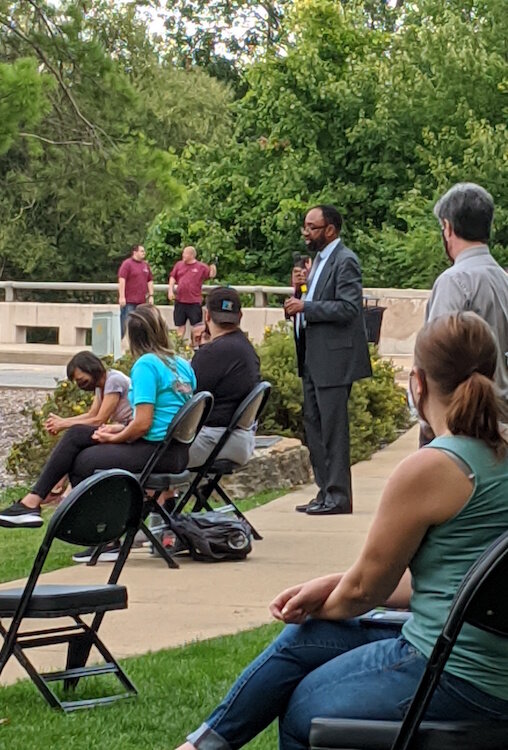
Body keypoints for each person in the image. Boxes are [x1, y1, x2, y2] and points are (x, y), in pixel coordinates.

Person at [175, 311, 508, 750]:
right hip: (478, 657)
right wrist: (332, 585)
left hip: (461, 674)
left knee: (303, 712)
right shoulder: (497, 455)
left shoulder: (431, 467)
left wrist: (339, 594)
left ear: (418, 382)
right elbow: (457, 579)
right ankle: (204, 745)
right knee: (308, 637)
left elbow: (363, 595)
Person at [0, 305, 195, 542]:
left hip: (156, 452)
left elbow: (143, 425)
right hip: (178, 452)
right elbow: (164, 419)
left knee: (82, 462)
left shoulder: (146, 365)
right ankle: (33, 502)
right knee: (78, 435)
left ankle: (103, 537)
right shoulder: (183, 365)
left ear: (132, 337)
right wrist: (120, 428)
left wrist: (115, 437)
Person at [284, 205, 371, 515]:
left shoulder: (345, 261)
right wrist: (298, 296)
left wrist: (305, 308)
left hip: (334, 360)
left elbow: (349, 308)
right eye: (305, 226)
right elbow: (313, 300)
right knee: (314, 426)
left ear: (330, 230)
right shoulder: (318, 262)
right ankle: (324, 492)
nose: (305, 232)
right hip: (312, 356)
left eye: (311, 227)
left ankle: (339, 496)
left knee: (333, 429)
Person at [426, 183, 508, 405]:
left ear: (448, 226)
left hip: (464, 418)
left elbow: (437, 361)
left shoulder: (454, 282)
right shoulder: (502, 278)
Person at [42, 351, 132, 503]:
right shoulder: (101, 386)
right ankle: (59, 488)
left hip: (129, 428)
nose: (81, 385)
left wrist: (63, 424)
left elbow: (99, 420)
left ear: (92, 369)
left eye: (81, 380)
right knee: (78, 439)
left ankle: (55, 487)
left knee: (79, 437)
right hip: (121, 427)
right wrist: (63, 421)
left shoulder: (114, 381)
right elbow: (91, 415)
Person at [188, 287, 260, 468]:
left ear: (207, 316)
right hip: (241, 440)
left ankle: (162, 497)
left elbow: (185, 400)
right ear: (240, 316)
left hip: (213, 441)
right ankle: (167, 497)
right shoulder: (247, 350)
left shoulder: (211, 353)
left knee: (147, 454)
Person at [168, 246, 217, 346]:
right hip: (180, 300)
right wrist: (170, 290)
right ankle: (178, 346)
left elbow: (211, 275)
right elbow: (173, 277)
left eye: (185, 253)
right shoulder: (179, 265)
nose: (183, 255)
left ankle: (195, 346)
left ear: (191, 255)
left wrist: (213, 267)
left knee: (196, 327)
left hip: (194, 301)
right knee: (180, 326)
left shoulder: (201, 267)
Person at [118, 244, 154, 338]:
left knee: (140, 325)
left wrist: (151, 295)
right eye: (141, 251)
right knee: (125, 324)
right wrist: (122, 297)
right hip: (129, 301)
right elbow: (122, 280)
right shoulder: (127, 264)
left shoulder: (145, 265)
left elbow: (150, 280)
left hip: (142, 302)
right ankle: (117, 345)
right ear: (135, 252)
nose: (144, 253)